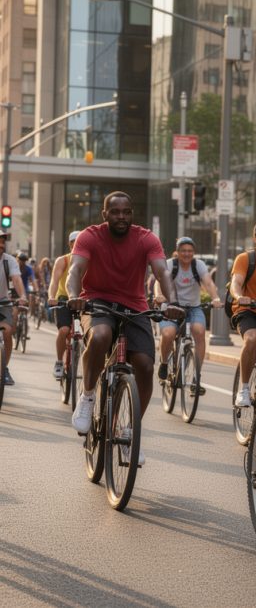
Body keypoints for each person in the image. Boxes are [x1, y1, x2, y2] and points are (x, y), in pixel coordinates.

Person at [67, 191, 184, 465]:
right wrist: (74, 295)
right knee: (101, 335)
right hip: (96, 300)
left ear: (132, 214)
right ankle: (87, 397)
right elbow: (75, 270)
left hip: (135, 304)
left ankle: (131, 431)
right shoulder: (90, 236)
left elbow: (162, 271)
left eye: (126, 212)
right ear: (104, 214)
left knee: (144, 365)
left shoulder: (146, 238)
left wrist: (173, 301)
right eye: (115, 212)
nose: (121, 216)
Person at [154, 236, 223, 390]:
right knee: (168, 333)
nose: (187, 254)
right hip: (172, 307)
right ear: (177, 252)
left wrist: (215, 298)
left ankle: (196, 377)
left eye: (190, 251)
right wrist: (159, 296)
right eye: (183, 251)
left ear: (194, 252)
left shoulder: (198, 265)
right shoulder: (171, 264)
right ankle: (164, 363)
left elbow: (208, 283)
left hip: (193, 308)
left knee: (199, 331)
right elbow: (160, 282)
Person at [230, 220, 256, 408]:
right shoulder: (246, 259)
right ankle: (244, 389)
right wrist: (240, 297)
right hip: (248, 310)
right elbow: (236, 283)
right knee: (252, 338)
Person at [48, 231, 81, 378]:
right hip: (64, 299)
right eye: (75, 242)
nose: (78, 244)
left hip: (83, 301)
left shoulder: (90, 260)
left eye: (81, 241)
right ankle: (59, 362)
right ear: (70, 244)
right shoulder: (63, 260)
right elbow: (54, 281)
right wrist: (51, 296)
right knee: (64, 330)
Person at [0, 231, 27, 385]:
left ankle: (4, 368)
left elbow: (16, 279)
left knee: (7, 332)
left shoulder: (9, 261)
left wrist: (22, 296)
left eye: (3, 242)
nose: (1, 245)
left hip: (3, 303)